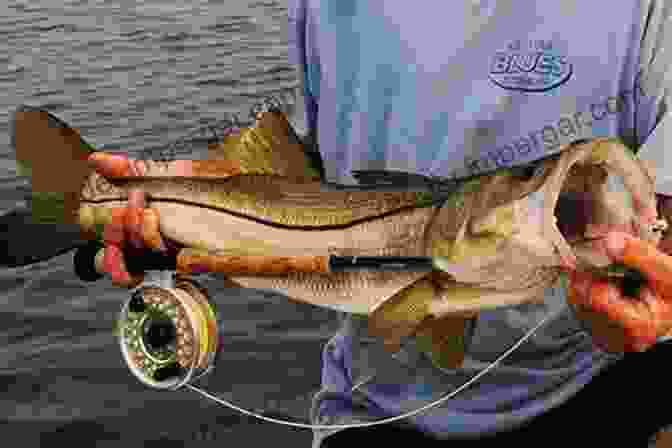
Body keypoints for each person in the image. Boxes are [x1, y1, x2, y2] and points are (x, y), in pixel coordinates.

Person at [88, 0, 672, 446]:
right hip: (374, 409)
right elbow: (302, 170)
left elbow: (662, 205)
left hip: (600, 382)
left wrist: (656, 290)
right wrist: (181, 208)